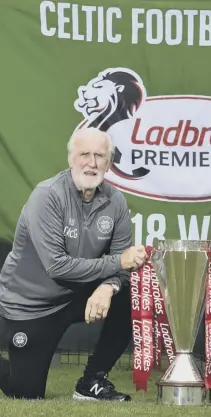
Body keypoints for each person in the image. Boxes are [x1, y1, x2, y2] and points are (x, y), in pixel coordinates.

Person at [0, 127, 147, 401]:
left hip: (78, 295)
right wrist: (117, 263)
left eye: (99, 156)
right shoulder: (47, 196)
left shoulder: (116, 201)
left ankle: (92, 381)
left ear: (109, 162)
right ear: (70, 159)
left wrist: (109, 288)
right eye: (84, 155)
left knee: (130, 295)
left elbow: (124, 268)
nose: (91, 163)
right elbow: (57, 266)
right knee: (26, 393)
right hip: (31, 305)